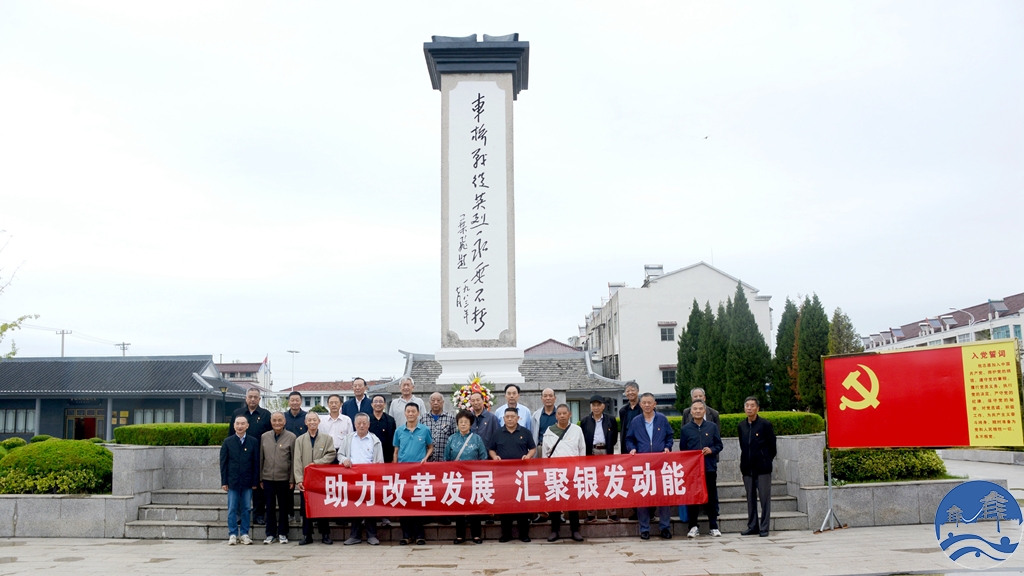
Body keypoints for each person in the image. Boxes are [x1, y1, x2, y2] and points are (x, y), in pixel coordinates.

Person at [625, 392, 673, 540]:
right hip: (642, 465)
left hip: (660, 464)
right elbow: (629, 439)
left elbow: (670, 436)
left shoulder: (662, 419)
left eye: (649, 402)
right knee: (643, 496)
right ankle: (644, 529)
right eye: (644, 402)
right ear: (640, 405)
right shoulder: (636, 421)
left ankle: (665, 528)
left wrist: (667, 447)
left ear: (654, 404)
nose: (647, 405)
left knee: (663, 497)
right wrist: (632, 448)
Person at [488, 407, 536, 543]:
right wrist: (495, 457)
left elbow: (532, 448)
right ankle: (506, 534)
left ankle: (524, 534)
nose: (509, 419)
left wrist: (528, 456)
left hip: (521, 474)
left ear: (518, 418)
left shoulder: (525, 432)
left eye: (512, 417)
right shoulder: (498, 433)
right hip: (504, 475)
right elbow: (491, 449)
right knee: (505, 504)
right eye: (507, 417)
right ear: (503, 419)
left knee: (522, 504)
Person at [680, 399, 723, 539]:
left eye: (700, 409)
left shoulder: (712, 427)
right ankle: (693, 526)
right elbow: (683, 450)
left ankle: (713, 526)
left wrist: (711, 450)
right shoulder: (685, 429)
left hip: (709, 468)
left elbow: (719, 445)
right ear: (691, 412)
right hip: (693, 470)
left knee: (711, 497)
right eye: (695, 409)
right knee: (693, 497)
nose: (697, 411)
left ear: (704, 411)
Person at [339, 413, 384, 546]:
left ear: (369, 425)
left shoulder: (375, 440)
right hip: (352, 478)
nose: (361, 426)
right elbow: (340, 454)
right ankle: (355, 536)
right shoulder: (348, 439)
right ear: (355, 424)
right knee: (355, 506)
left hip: (370, 479)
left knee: (370, 507)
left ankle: (372, 535)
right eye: (359, 423)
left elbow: (380, 461)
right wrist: (344, 460)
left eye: (364, 423)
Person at [445, 409, 489, 544]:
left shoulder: (477, 439)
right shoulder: (452, 439)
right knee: (458, 505)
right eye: (461, 422)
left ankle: (476, 535)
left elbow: (484, 457)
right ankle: (460, 535)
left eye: (466, 422)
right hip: (457, 478)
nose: (463, 424)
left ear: (470, 424)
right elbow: (446, 459)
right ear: (457, 424)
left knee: (474, 505)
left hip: (473, 478)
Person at [542, 404, 585, 542]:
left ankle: (575, 530)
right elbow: (545, 453)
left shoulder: (577, 430)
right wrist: (546, 471)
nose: (562, 416)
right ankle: (555, 530)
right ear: (556, 416)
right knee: (555, 501)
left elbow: (582, 450)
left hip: (572, 471)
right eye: (559, 413)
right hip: (555, 472)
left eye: (564, 413)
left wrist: (580, 469)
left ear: (569, 414)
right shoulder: (549, 431)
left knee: (573, 502)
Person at [294, 412, 336, 545]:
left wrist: (317, 463)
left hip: (321, 479)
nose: (312, 422)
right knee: (306, 507)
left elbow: (331, 454)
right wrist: (299, 480)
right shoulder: (300, 440)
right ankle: (307, 535)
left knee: (322, 507)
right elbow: (297, 461)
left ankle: (325, 534)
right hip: (306, 480)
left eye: (314, 420)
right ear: (305, 423)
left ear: (319, 422)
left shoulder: (327, 438)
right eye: (309, 420)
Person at [393, 402, 433, 545]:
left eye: (413, 411)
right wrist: (395, 468)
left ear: (418, 413)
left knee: (417, 503)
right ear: (405, 413)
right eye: (408, 411)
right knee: (403, 503)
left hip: (419, 473)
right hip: (403, 473)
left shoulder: (424, 430)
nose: (410, 414)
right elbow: (396, 451)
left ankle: (419, 536)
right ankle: (406, 536)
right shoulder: (399, 431)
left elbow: (430, 447)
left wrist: (426, 458)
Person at [231, 389, 272, 526]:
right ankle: (238, 515)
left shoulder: (266, 415)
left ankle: (258, 515)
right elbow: (231, 435)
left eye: (255, 397)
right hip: (240, 456)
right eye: (250, 397)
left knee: (258, 486)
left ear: (259, 399)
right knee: (239, 485)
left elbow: (270, 436)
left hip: (259, 455)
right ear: (246, 398)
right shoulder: (237, 413)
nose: (252, 399)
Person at [739, 396, 777, 537]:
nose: (749, 408)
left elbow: (772, 446)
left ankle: (764, 527)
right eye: (747, 405)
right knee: (750, 499)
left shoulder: (765, 424)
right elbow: (743, 445)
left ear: (757, 408)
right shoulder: (741, 426)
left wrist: (765, 459)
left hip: (763, 469)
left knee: (764, 498)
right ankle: (752, 526)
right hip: (747, 468)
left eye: (752, 405)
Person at [220, 415, 260, 545]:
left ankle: (244, 533)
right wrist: (224, 482)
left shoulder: (253, 442)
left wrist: (255, 481)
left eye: (243, 423)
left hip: (248, 481)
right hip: (232, 481)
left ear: (247, 426)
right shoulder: (228, 442)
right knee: (232, 508)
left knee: (246, 508)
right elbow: (223, 464)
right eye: (237, 423)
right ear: (234, 426)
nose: (240, 426)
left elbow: (256, 463)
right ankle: (232, 534)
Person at [580, 394, 619, 523]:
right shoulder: (585, 421)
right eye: (593, 405)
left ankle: (612, 513)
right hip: (591, 453)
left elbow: (614, 438)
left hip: (606, 452)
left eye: (598, 405)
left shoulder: (611, 419)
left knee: (609, 481)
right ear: (590, 406)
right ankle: (591, 514)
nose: (596, 408)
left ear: (603, 406)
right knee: (591, 482)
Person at [259, 412, 295, 544]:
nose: (277, 423)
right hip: (268, 478)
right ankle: (270, 534)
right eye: (274, 420)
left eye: (280, 420)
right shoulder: (264, 436)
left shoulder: (291, 437)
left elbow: (294, 459)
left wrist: (292, 479)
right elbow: (261, 458)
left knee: (284, 508)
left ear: (284, 421)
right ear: (271, 422)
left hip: (284, 479)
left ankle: (283, 533)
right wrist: (261, 478)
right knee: (269, 507)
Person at [366, 394, 397, 527]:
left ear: (384, 404)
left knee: (385, 488)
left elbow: (394, 441)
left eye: (380, 401)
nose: (378, 404)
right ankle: (367, 515)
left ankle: (385, 515)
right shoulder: (367, 420)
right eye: (375, 401)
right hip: (369, 461)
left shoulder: (390, 420)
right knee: (369, 488)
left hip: (386, 460)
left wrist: (393, 459)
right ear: (372, 404)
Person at [618, 381, 643, 521]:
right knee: (632, 481)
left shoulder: (644, 407)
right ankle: (635, 510)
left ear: (637, 391)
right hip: (628, 449)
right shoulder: (623, 411)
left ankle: (648, 511)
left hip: (643, 449)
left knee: (644, 479)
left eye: (632, 390)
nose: (630, 393)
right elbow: (623, 431)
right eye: (628, 391)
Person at [420, 392, 456, 463]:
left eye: (438, 400)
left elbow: (454, 438)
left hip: (444, 460)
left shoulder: (450, 418)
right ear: (430, 403)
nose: (435, 403)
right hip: (427, 460)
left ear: (443, 402)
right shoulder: (423, 418)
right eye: (433, 400)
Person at [320, 394, 354, 460]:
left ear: (341, 404)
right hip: (326, 453)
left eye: (336, 402)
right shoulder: (322, 420)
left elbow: (350, 438)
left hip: (343, 453)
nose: (333, 405)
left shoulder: (347, 420)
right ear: (328, 405)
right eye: (331, 403)